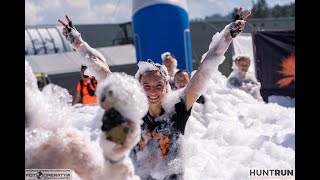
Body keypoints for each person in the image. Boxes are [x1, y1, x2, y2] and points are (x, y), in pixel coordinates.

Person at [58, 7, 249, 179]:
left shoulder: (179, 108)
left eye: (158, 85)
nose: (152, 91)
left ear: (167, 87)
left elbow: (206, 67)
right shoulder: (131, 110)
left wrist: (227, 35)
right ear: (138, 88)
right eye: (146, 86)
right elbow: (102, 71)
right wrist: (77, 42)